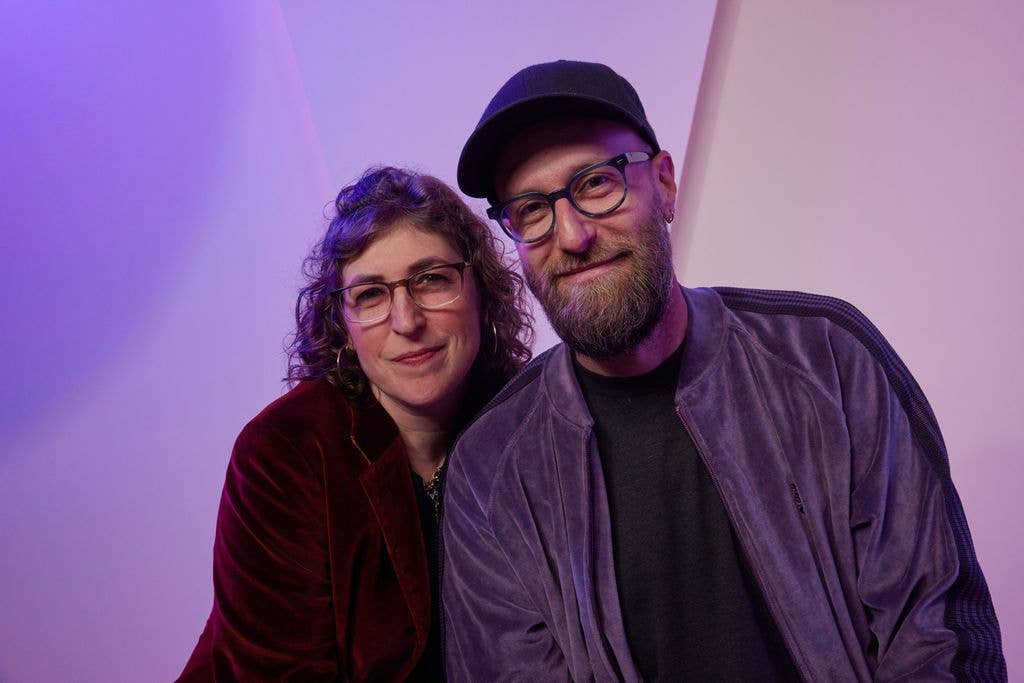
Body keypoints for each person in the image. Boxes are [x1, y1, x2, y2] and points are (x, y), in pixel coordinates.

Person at [441, 60, 1006, 682]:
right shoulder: (490, 471)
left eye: (597, 183)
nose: (571, 234)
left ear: (664, 184)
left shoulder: (828, 358)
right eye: (531, 210)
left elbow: (941, 633)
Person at [178, 166, 532, 681]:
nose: (406, 321)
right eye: (370, 295)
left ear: (481, 291)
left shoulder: (528, 423)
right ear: (341, 326)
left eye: (431, 279)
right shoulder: (285, 453)